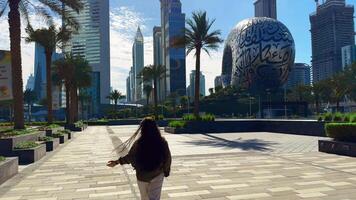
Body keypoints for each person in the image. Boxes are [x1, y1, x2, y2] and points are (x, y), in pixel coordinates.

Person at [107, 117, 172, 200]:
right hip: (157, 174)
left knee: (144, 198)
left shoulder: (138, 143)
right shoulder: (162, 142)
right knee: (154, 198)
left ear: (142, 129)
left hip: (142, 176)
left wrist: (116, 162)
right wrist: (166, 171)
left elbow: (130, 157)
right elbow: (167, 158)